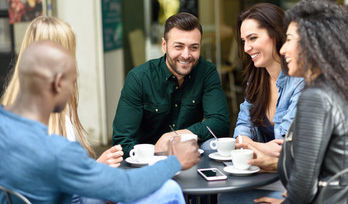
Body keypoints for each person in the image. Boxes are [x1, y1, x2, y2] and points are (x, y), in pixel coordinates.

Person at [0, 41, 200, 204]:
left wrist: (95, 173)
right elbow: (127, 187)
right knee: (170, 191)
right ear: (58, 83)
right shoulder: (57, 152)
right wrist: (174, 162)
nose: (72, 91)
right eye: (73, 81)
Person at [247, 0, 348, 203]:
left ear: (312, 43)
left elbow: (302, 189)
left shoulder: (316, 97)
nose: (282, 50)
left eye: (289, 39)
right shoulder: (343, 89)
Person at [1, 16, 123, 167]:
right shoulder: (54, 134)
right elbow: (66, 184)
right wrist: (96, 169)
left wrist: (93, 168)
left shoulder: (7, 117)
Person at [112, 12, 229, 156]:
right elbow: (121, 141)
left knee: (212, 147)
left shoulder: (207, 72)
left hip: (189, 159)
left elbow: (220, 123)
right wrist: (154, 152)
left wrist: (174, 136)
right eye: (178, 46)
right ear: (164, 45)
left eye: (194, 47)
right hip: (147, 162)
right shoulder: (139, 78)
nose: (186, 55)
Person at [233, 3, 304, 157]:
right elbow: (240, 132)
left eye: (253, 38)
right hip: (260, 170)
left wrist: (249, 145)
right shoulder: (256, 80)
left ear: (277, 34)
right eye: (244, 41)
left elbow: (285, 147)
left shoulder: (300, 82)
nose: (246, 48)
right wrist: (257, 146)